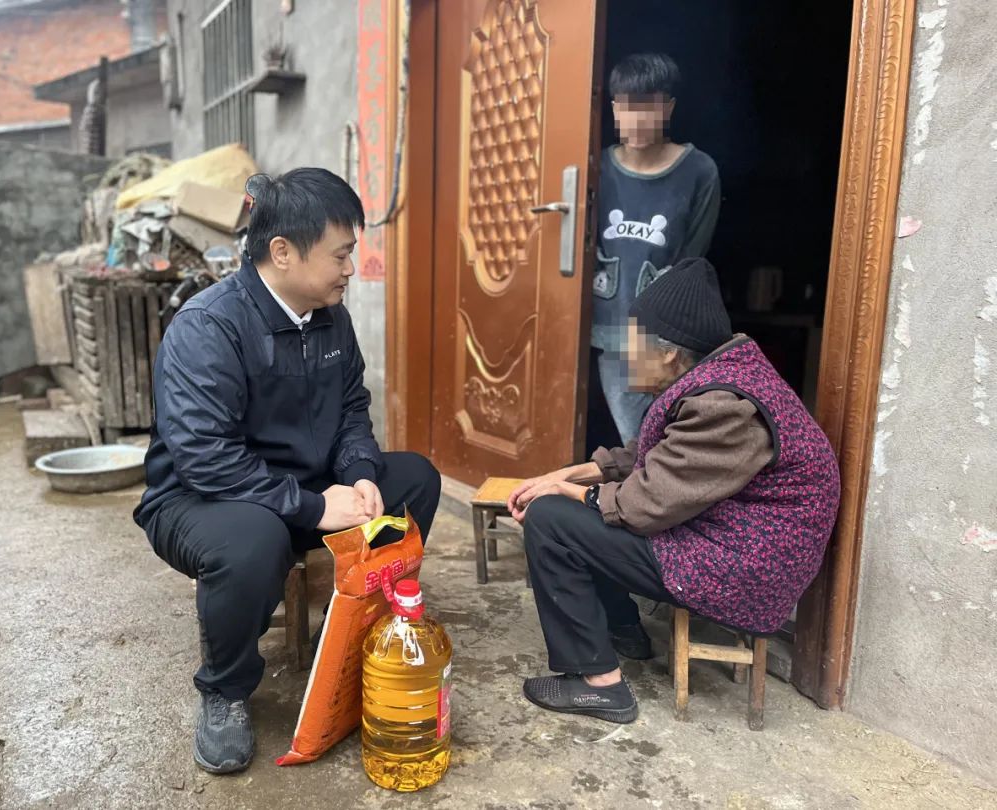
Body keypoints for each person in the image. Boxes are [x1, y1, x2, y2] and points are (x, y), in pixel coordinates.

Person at [134, 168, 441, 773]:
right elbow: (204, 457)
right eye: (341, 254)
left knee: (416, 479)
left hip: (306, 491)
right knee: (255, 538)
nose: (351, 268)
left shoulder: (332, 319)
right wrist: (313, 507)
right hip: (199, 500)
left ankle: (348, 628)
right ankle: (224, 689)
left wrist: (358, 474)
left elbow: (353, 408)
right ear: (282, 251)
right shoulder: (210, 326)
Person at [509, 258, 840, 724]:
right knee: (576, 508)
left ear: (667, 353)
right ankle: (624, 630)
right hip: (732, 542)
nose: (623, 358)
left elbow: (641, 506)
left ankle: (597, 683)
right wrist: (569, 477)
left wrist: (563, 494)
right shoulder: (719, 382)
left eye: (630, 347)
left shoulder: (726, 407)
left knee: (552, 521)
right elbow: (656, 461)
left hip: (743, 570)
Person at [592, 52, 721, 444]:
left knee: (663, 439)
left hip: (664, 338)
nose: (637, 119)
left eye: (649, 107)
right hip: (609, 329)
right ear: (615, 107)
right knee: (633, 439)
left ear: (669, 108)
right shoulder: (598, 167)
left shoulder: (699, 171)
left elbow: (692, 260)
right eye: (628, 107)